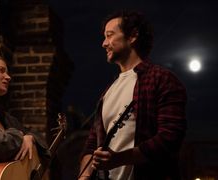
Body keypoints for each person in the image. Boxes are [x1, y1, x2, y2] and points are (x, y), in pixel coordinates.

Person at [79, 9, 187, 180]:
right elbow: (93, 143)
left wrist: (118, 159)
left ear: (133, 36)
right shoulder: (108, 91)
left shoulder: (162, 78)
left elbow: (170, 138)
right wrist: (84, 177)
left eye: (110, 35)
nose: (104, 43)